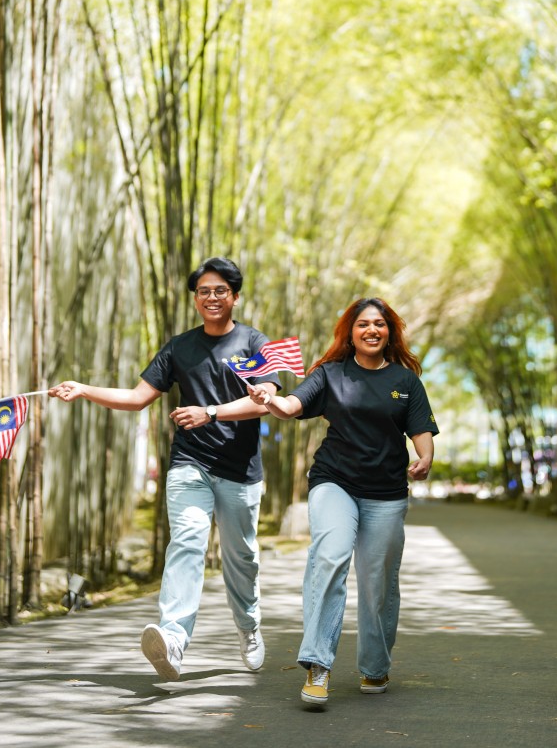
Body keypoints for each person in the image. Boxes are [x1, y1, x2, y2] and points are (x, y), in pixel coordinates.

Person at [49, 256, 280, 682]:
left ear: (235, 296)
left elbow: (264, 399)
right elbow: (138, 397)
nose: (212, 297)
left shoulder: (254, 342)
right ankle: (173, 641)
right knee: (187, 544)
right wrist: (83, 389)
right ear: (195, 299)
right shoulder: (179, 347)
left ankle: (248, 627)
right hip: (189, 463)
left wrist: (210, 412)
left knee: (241, 557)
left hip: (240, 470)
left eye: (220, 291)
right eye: (204, 291)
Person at [246, 297, 437, 706]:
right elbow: (292, 405)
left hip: (386, 491)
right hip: (335, 481)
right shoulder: (330, 374)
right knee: (330, 556)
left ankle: (374, 666)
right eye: (363, 323)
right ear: (350, 332)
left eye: (380, 324)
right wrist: (270, 400)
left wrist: (425, 460)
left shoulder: (406, 381)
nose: (372, 330)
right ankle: (318, 665)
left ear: (390, 332)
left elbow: (421, 432)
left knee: (378, 581)